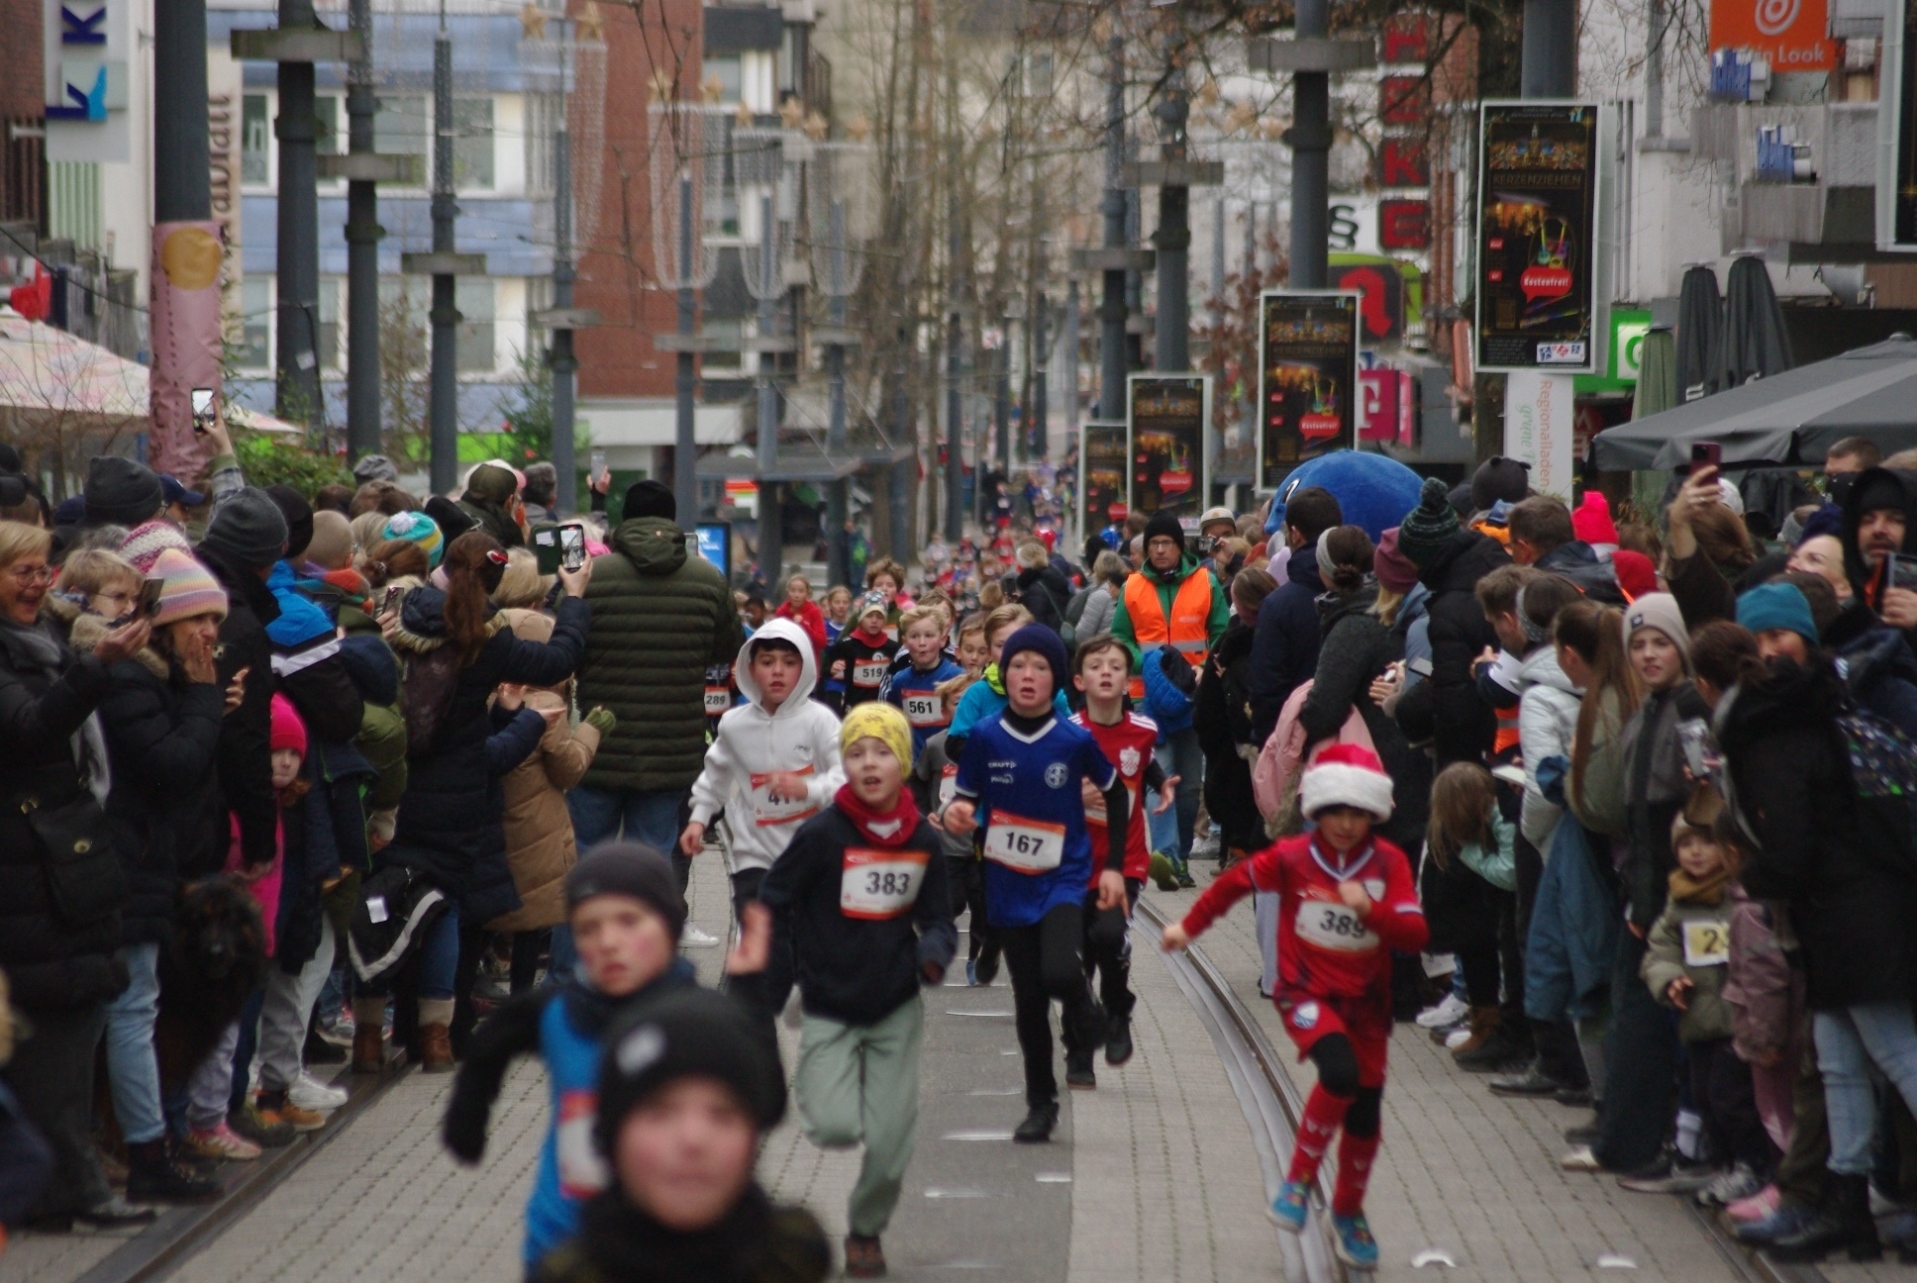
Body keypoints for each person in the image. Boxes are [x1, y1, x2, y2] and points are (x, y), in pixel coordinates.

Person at [447, 844, 781, 1274]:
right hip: (561, 1242)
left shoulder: (700, 1020)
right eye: (588, 929)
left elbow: (766, 1105)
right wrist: (467, 1120)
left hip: (664, 1252)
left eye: (628, 922)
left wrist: (752, 996)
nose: (607, 942)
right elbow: (489, 1047)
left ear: (670, 926)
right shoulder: (558, 1013)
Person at [1162, 744, 1428, 1272]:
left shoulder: (1388, 862)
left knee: (1366, 1112)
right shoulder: (1294, 858)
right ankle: (1301, 1178)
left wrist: (1370, 911)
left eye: (1358, 814)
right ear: (1317, 812)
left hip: (1368, 1005)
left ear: (1374, 814)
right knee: (1338, 1072)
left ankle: (1348, 1212)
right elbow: (1235, 884)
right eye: (1336, 813)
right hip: (1304, 992)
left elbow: (1415, 934)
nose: (1347, 825)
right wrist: (1186, 927)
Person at [1715, 617, 1917, 1262]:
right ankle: (1844, 1207)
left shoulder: (1769, 742)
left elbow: (1791, 844)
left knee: (1893, 1054)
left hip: (1851, 920)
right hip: (1852, 914)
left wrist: (1750, 874)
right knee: (1841, 1064)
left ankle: (1846, 1207)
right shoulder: (1816, 722)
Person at [362, 531, 592, 1073]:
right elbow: (563, 654)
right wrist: (574, 595)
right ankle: (436, 1039)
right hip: (460, 797)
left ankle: (369, 1038)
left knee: (381, 904)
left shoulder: (392, 615)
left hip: (391, 787)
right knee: (446, 910)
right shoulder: (488, 640)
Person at [757, 703, 955, 1278]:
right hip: (826, 1001)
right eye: (856, 752)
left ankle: (865, 1232)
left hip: (895, 1002)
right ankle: (842, 1087)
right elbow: (775, 895)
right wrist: (785, 968)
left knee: (891, 1147)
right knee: (835, 1126)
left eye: (883, 752)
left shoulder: (921, 836)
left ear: (903, 763)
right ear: (843, 764)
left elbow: (939, 920)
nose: (869, 763)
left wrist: (935, 955)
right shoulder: (823, 834)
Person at [0, 520, 157, 1230]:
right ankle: (71, 1188)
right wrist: (100, 667)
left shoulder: (48, 640)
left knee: (73, 1028)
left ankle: (64, 1186)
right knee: (54, 1038)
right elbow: (30, 729)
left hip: (64, 859)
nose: (36, 583)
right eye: (20, 571)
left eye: (41, 569)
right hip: (30, 866)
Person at [940, 625, 1130, 1143]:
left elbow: (1116, 797)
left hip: (1064, 877)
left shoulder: (1074, 739)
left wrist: (1111, 866)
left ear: (1056, 680)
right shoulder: (984, 737)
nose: (1028, 676)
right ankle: (1041, 1103)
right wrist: (960, 814)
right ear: (1005, 674)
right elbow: (967, 799)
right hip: (1005, 880)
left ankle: (1087, 1010)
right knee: (1027, 1001)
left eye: (1040, 668)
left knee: (1058, 970)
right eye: (1018, 665)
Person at [91, 546, 232, 1201]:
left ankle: (142, 1144)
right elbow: (171, 766)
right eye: (197, 619)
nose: (209, 633)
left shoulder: (160, 679)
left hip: (148, 864)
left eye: (215, 621)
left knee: (131, 1010)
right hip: (124, 865)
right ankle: (143, 1150)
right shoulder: (130, 680)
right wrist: (204, 704)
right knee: (128, 1010)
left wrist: (200, 701)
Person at [530, 987, 827, 1283]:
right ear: (610, 1137)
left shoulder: (795, 1260)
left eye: (722, 1114)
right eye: (660, 1112)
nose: (693, 1138)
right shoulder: (566, 1274)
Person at [573, 480, 742, 917]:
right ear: (673, 521)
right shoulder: (708, 578)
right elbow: (726, 650)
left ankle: (574, 972)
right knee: (654, 859)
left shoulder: (592, 576)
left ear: (625, 518)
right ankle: (650, 973)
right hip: (672, 747)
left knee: (585, 861)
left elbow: (565, 642)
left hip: (598, 746)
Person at [1593, 593, 1707, 1182]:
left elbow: (1690, 812)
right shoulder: (1650, 711)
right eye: (1638, 645)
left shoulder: (1689, 711)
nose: (1648, 655)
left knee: (1684, 1021)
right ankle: (1635, 1135)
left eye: (1661, 642)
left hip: (1681, 898)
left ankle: (1676, 1140)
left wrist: (1654, 899)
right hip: (1648, 893)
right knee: (1646, 1018)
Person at [1636, 796, 1778, 1207]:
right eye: (1686, 844)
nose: (1695, 853)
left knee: (1731, 1097)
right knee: (1704, 1097)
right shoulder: (1680, 899)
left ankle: (1753, 1164)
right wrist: (1670, 980)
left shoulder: (1742, 897)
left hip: (1738, 1022)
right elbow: (1659, 950)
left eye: (1706, 842)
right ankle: (1724, 1163)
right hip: (1697, 1020)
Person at [487, 600, 616, 992]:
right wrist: (593, 730)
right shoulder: (547, 705)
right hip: (537, 830)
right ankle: (523, 999)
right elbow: (568, 769)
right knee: (531, 922)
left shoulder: (485, 696)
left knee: (486, 917)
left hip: (493, 823)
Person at [682, 618, 845, 927]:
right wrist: (698, 819)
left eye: (789, 662)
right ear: (749, 669)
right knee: (761, 944)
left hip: (810, 854)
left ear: (806, 668)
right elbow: (714, 776)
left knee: (802, 946)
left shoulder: (821, 721)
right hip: (753, 855)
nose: (778, 671)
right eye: (767, 662)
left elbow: (845, 780)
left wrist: (807, 789)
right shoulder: (734, 724)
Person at [1069, 635, 1175, 1075]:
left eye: (1115, 665)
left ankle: (1118, 1012)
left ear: (1128, 680)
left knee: (1108, 937)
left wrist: (1161, 782)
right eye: (1097, 666)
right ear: (1080, 680)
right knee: (1077, 958)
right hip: (1074, 862)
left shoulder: (1144, 730)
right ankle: (1079, 1050)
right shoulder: (1069, 733)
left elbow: (1141, 760)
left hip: (1124, 858)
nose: (1107, 672)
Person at [1112, 510, 1227, 870]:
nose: (1160, 550)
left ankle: (1179, 851)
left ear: (1180, 547)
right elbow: (1120, 637)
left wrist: (1204, 666)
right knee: (1158, 775)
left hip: (1194, 696)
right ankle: (1165, 854)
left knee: (1191, 783)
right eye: (1154, 543)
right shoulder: (1132, 587)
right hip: (1147, 698)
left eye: (1167, 543)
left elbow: (1222, 633)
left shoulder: (1206, 584)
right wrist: (1143, 663)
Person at [1393, 476, 1511, 768]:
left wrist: (1453, 778)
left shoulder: (1449, 607)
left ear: (1424, 558)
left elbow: (1454, 704)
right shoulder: (1492, 561)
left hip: (1482, 752)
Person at [1194, 568, 1275, 875]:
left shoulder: (1230, 644)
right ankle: (1239, 853)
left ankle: (1238, 854)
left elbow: (1207, 706)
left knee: (1237, 799)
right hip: (1259, 736)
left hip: (1238, 739)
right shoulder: (1277, 635)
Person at [1249, 486, 1343, 746]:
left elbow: (1267, 688)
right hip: (1357, 747)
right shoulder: (1372, 598)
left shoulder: (1278, 606)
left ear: (1294, 533)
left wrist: (1273, 744)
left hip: (1294, 743)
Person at [881, 603, 966, 760]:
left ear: (942, 639)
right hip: (912, 771)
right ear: (905, 642)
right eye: (914, 636)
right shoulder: (900, 681)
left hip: (947, 768)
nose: (922, 643)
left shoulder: (958, 679)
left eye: (929, 636)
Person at [1505, 496, 1623, 604]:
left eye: (1511, 546)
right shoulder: (1610, 577)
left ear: (1523, 548)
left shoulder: (1540, 596)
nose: (1512, 554)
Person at [826, 592, 900, 713]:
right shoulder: (846, 645)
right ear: (860, 618)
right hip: (854, 709)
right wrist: (831, 669)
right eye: (869, 616)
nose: (874, 621)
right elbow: (825, 669)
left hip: (882, 711)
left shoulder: (892, 647)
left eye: (879, 617)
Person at [774, 573, 827, 665]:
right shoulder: (781, 612)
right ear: (787, 592)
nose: (796, 595)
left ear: (807, 593)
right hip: (785, 661)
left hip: (809, 661)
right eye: (793, 591)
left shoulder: (814, 612)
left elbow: (821, 642)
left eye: (801, 591)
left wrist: (804, 625)